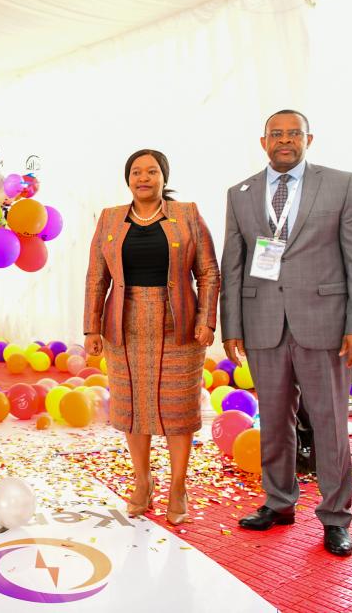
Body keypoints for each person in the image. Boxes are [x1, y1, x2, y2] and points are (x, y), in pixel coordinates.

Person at [221, 109, 352, 556]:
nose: (284, 140)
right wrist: (232, 326)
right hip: (262, 325)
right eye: (276, 134)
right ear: (263, 142)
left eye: (293, 133)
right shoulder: (239, 194)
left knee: (330, 424)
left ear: (308, 139)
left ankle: (336, 518)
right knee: (274, 423)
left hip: (325, 325)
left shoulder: (341, 184)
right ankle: (279, 504)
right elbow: (233, 266)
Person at [84, 149, 220, 525]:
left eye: (152, 171)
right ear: (127, 179)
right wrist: (90, 327)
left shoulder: (187, 214)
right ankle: (142, 482)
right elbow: (97, 277)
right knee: (132, 408)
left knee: (178, 409)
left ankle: (178, 486)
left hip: (180, 325)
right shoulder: (111, 219)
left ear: (164, 177)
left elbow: (208, 271)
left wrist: (207, 319)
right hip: (123, 325)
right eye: (136, 172)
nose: (143, 178)